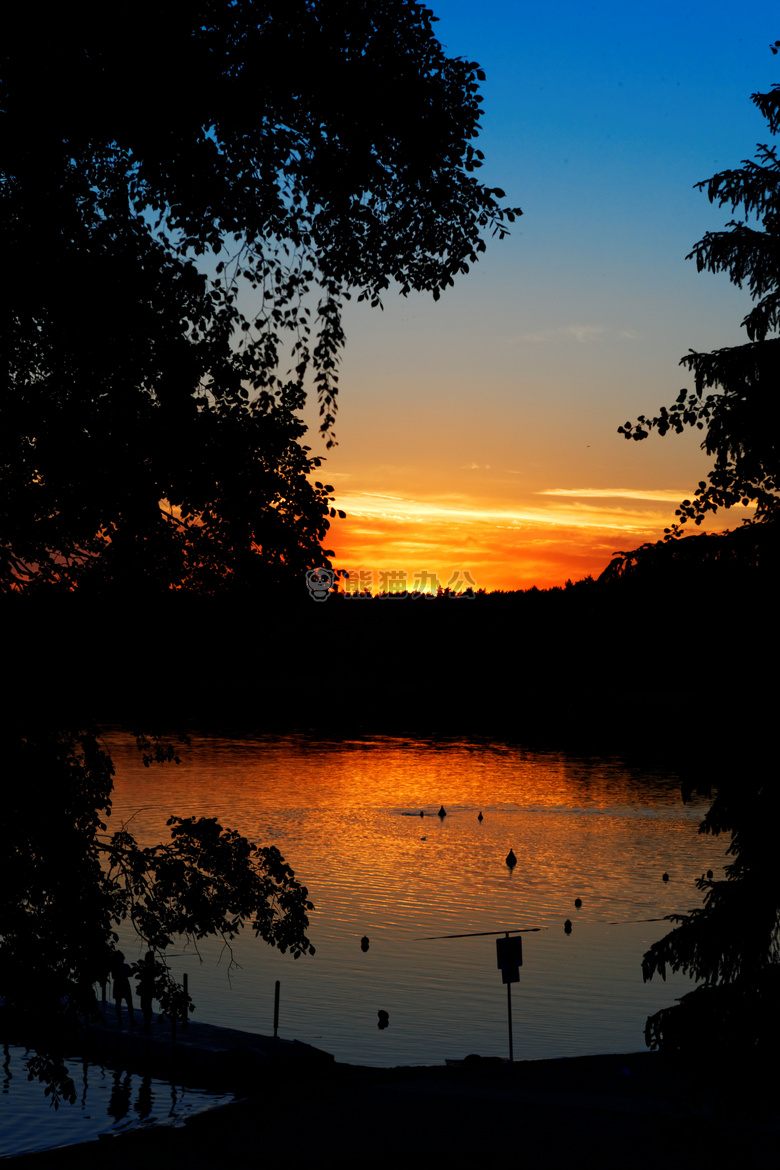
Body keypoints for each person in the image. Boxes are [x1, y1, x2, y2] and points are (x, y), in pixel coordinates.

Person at [110, 951, 135, 1028]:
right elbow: (114, 976)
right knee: (119, 1003)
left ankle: (131, 1019)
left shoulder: (125, 966)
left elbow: (131, 974)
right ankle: (120, 1019)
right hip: (120, 985)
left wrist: (132, 971)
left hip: (124, 985)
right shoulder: (115, 967)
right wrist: (123, 973)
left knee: (129, 1003)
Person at [136, 951, 156, 1030]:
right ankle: (147, 1022)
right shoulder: (150, 966)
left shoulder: (149, 967)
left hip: (147, 987)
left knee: (145, 1005)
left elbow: (145, 976)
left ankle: (147, 1023)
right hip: (149, 987)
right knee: (146, 1005)